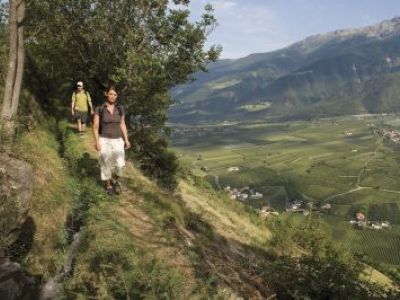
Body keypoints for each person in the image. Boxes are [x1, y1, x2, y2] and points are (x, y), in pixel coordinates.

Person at [92, 86, 131, 195]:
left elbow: (122, 124)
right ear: (106, 94)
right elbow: (95, 127)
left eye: (115, 94)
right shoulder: (100, 108)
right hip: (104, 140)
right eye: (110, 94)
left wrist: (126, 139)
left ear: (117, 96)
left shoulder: (120, 108)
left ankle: (114, 178)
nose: (112, 96)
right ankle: (108, 185)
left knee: (120, 164)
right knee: (105, 164)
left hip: (118, 140)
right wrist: (96, 142)